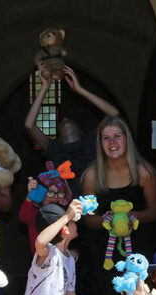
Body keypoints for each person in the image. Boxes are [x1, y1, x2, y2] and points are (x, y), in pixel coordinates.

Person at [78, 116, 156, 295]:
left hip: (137, 249)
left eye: (117, 136)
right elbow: (87, 219)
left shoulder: (144, 172)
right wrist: (105, 221)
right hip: (103, 253)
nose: (112, 142)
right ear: (100, 144)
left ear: (127, 139)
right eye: (106, 138)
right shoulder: (91, 175)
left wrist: (134, 217)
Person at [24, 65, 120, 196]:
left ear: (81, 131)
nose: (66, 120)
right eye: (62, 122)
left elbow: (113, 115)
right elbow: (29, 125)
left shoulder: (92, 140)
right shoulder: (54, 147)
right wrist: (45, 88)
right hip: (66, 208)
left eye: (69, 120)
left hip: (93, 203)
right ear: (59, 135)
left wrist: (80, 90)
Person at [18, 169, 71, 253]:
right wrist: (30, 196)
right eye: (50, 192)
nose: (55, 197)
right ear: (41, 194)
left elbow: (72, 235)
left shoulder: (66, 214)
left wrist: (75, 251)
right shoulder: (35, 214)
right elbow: (23, 217)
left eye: (60, 193)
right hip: (41, 261)